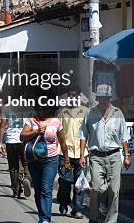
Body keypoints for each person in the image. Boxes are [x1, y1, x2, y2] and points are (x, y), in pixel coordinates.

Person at [79, 84, 131, 223]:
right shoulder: (90, 113)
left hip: (114, 156)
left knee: (114, 191)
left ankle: (111, 220)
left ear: (110, 99)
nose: (103, 100)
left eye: (106, 98)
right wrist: (81, 155)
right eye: (100, 98)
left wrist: (127, 155)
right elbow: (83, 135)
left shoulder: (118, 113)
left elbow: (123, 137)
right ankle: (94, 218)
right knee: (96, 188)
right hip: (96, 157)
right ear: (97, 98)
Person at [21, 105, 70, 223]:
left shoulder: (56, 122)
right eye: (39, 109)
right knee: (38, 191)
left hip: (50, 161)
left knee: (46, 190)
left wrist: (66, 159)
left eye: (44, 109)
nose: (41, 111)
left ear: (49, 109)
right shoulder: (31, 120)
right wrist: (36, 131)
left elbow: (63, 142)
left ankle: (45, 219)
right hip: (34, 160)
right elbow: (22, 136)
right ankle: (42, 215)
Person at [56, 88, 88, 218]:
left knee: (79, 184)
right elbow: (57, 132)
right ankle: (63, 203)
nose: (73, 98)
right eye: (70, 95)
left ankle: (77, 209)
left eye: (75, 95)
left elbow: (89, 131)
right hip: (65, 153)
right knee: (65, 182)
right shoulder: (62, 112)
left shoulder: (85, 112)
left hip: (82, 153)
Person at [0, 105, 31, 199]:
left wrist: (0, 142)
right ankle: (26, 178)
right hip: (23, 140)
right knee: (26, 163)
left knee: (13, 167)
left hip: (10, 141)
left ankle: (16, 190)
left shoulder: (6, 107)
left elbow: (3, 125)